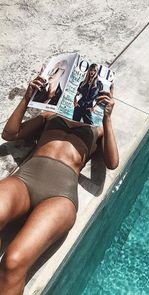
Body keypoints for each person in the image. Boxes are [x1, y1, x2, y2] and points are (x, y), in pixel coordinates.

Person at [0, 73, 119, 294]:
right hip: (25, 181)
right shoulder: (49, 116)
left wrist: (107, 119)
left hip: (59, 197)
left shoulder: (98, 128)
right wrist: (27, 97)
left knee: (13, 261)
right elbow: (10, 133)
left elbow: (112, 162)